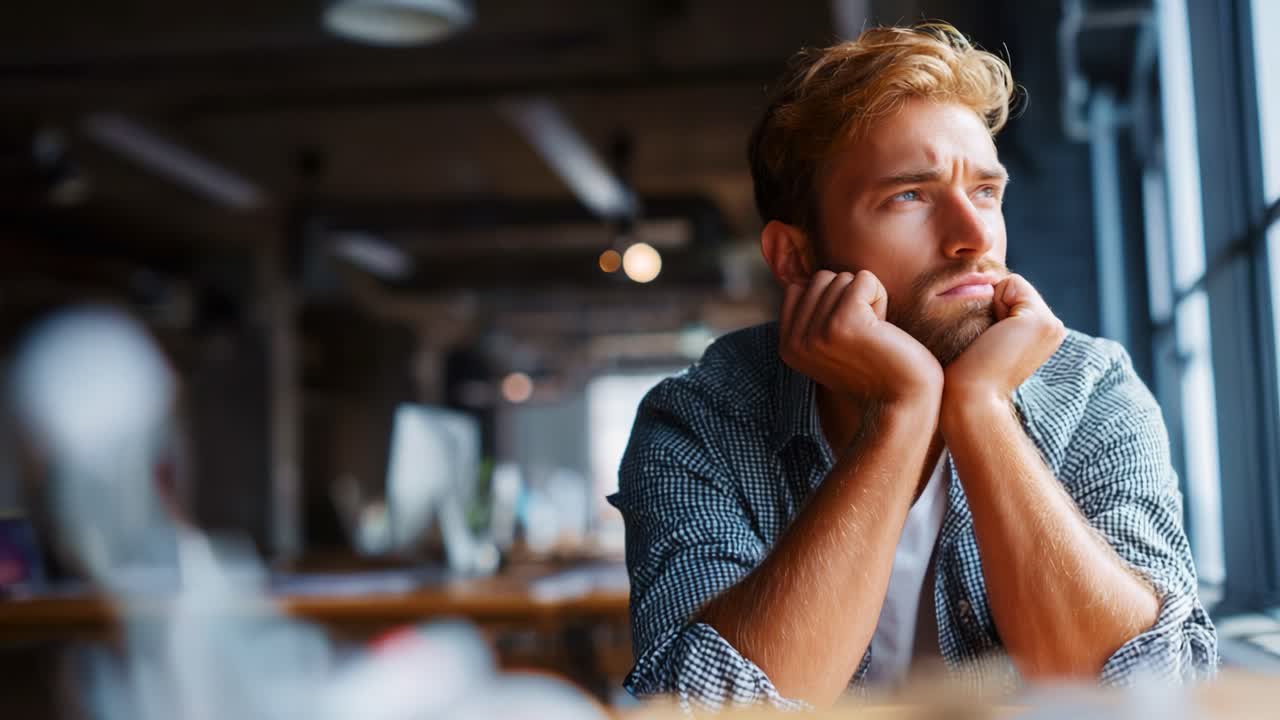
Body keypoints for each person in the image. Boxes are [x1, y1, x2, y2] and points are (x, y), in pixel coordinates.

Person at [608, 23, 1217, 711]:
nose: (975, 236)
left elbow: (1153, 693)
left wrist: (981, 410)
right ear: (795, 258)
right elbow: (704, 710)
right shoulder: (699, 421)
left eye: (986, 192)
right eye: (910, 196)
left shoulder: (1091, 388)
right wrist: (902, 412)